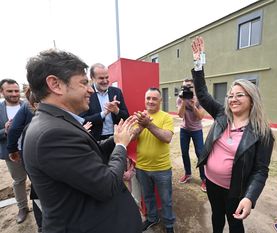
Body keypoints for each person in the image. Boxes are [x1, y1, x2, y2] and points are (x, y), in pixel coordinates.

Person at [23, 49, 142, 233]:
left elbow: (88, 152)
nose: (89, 90)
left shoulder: (57, 122)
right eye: (84, 83)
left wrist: (117, 138)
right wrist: (120, 145)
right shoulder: (52, 134)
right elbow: (107, 185)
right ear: (55, 84)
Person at [191, 37, 274, 233]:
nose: (233, 99)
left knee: (235, 222)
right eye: (230, 95)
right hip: (211, 181)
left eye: (240, 95)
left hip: (235, 190)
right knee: (216, 215)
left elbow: (261, 170)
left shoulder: (262, 132)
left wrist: (250, 197)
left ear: (252, 100)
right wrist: (198, 62)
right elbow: (202, 93)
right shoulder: (221, 114)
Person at [133, 87, 176, 233]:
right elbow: (131, 138)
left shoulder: (166, 117)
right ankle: (152, 219)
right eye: (148, 98)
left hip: (162, 168)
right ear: (145, 100)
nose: (151, 101)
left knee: (166, 201)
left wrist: (149, 124)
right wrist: (140, 125)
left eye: (154, 98)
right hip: (142, 167)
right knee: (148, 197)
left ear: (160, 100)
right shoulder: (139, 117)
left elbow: (167, 138)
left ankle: (169, 225)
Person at [6, 88, 42, 232]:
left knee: (37, 187)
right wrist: (12, 149)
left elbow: (14, 129)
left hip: (30, 152)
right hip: (30, 152)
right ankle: (40, 223)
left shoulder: (27, 105)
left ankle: (42, 225)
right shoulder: (28, 106)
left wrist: (12, 149)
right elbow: (14, 129)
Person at [0, 78, 29, 224]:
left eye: (16, 91)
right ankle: (22, 208)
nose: (14, 94)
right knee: (19, 180)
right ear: (2, 91)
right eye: (10, 91)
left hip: (30, 149)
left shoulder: (28, 106)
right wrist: (4, 131)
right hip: (12, 153)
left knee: (38, 178)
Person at [80, 63, 129, 140]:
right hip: (95, 139)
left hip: (116, 138)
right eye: (101, 78)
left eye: (107, 77)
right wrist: (104, 113)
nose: (105, 81)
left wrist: (116, 110)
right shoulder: (86, 94)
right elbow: (82, 120)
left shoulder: (116, 92)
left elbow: (126, 117)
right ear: (92, 78)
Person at [176, 78, 206, 192]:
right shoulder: (180, 98)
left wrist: (193, 106)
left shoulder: (200, 98)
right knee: (184, 152)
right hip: (184, 129)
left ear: (194, 87)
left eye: (189, 86)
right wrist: (184, 101)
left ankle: (204, 179)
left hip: (197, 130)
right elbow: (180, 115)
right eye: (184, 87)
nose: (186, 89)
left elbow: (201, 117)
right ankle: (188, 174)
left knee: (200, 154)